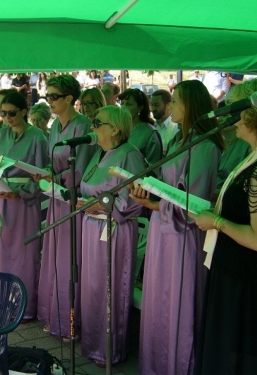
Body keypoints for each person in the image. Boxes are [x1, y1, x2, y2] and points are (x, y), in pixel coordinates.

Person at [130, 80, 226, 375]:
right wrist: (148, 191)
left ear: (192, 106)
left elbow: (194, 204)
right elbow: (170, 188)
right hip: (162, 232)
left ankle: (178, 366)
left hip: (183, 238)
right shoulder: (177, 141)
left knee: (178, 305)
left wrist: (154, 205)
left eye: (176, 101)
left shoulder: (205, 146)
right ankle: (157, 364)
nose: (169, 107)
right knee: (159, 301)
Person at [190, 78, 257, 375]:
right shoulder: (253, 158)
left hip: (246, 281)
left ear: (254, 113)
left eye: (237, 110)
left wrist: (217, 222)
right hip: (231, 270)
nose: (232, 119)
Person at [78, 106, 145, 367]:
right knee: (93, 287)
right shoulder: (100, 153)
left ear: (115, 128)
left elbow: (134, 200)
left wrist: (100, 205)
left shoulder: (129, 155)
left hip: (113, 229)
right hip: (91, 227)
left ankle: (110, 349)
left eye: (97, 122)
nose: (91, 127)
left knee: (109, 288)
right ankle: (93, 343)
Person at [36, 74, 98, 339]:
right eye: (47, 96)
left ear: (70, 99)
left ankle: (70, 322)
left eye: (54, 96)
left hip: (72, 201)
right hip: (55, 199)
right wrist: (46, 172)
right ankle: (54, 314)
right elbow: (54, 160)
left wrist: (57, 177)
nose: (49, 101)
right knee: (53, 257)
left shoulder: (82, 126)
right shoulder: (53, 126)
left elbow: (82, 170)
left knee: (68, 259)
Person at [0, 91, 50, 321]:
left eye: (12, 113)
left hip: (24, 203)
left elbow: (44, 177)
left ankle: (23, 307)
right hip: (0, 201)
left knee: (24, 254)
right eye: (3, 113)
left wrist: (22, 192)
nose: (7, 117)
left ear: (25, 111)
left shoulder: (38, 137)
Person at [119, 88, 163, 167]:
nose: (124, 107)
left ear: (140, 107)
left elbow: (154, 167)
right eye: (122, 103)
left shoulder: (150, 133)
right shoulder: (116, 128)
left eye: (128, 104)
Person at [151, 89, 179, 155]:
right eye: (152, 105)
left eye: (156, 105)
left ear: (168, 105)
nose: (153, 109)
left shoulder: (176, 127)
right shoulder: (151, 126)